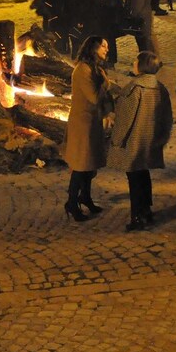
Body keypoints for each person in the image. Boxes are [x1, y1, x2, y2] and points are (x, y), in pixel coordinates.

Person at [107, 51, 173, 231]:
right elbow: (167, 118)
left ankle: (137, 215)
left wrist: (117, 140)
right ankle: (147, 210)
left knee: (134, 178)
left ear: (142, 65)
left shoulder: (134, 89)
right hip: (150, 141)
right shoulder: (160, 89)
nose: (133, 63)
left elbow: (124, 119)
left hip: (134, 142)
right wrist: (162, 138)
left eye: (135, 61)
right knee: (144, 175)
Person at [63, 36, 114, 222]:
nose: (106, 49)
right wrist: (106, 85)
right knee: (80, 164)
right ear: (93, 47)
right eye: (103, 46)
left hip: (92, 121)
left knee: (89, 164)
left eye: (107, 46)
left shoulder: (95, 68)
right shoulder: (82, 70)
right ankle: (72, 202)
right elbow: (94, 97)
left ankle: (85, 197)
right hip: (82, 123)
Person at [97, 0, 124, 66]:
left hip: (112, 12)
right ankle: (107, 57)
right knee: (106, 35)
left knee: (110, 35)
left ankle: (111, 58)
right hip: (104, 11)